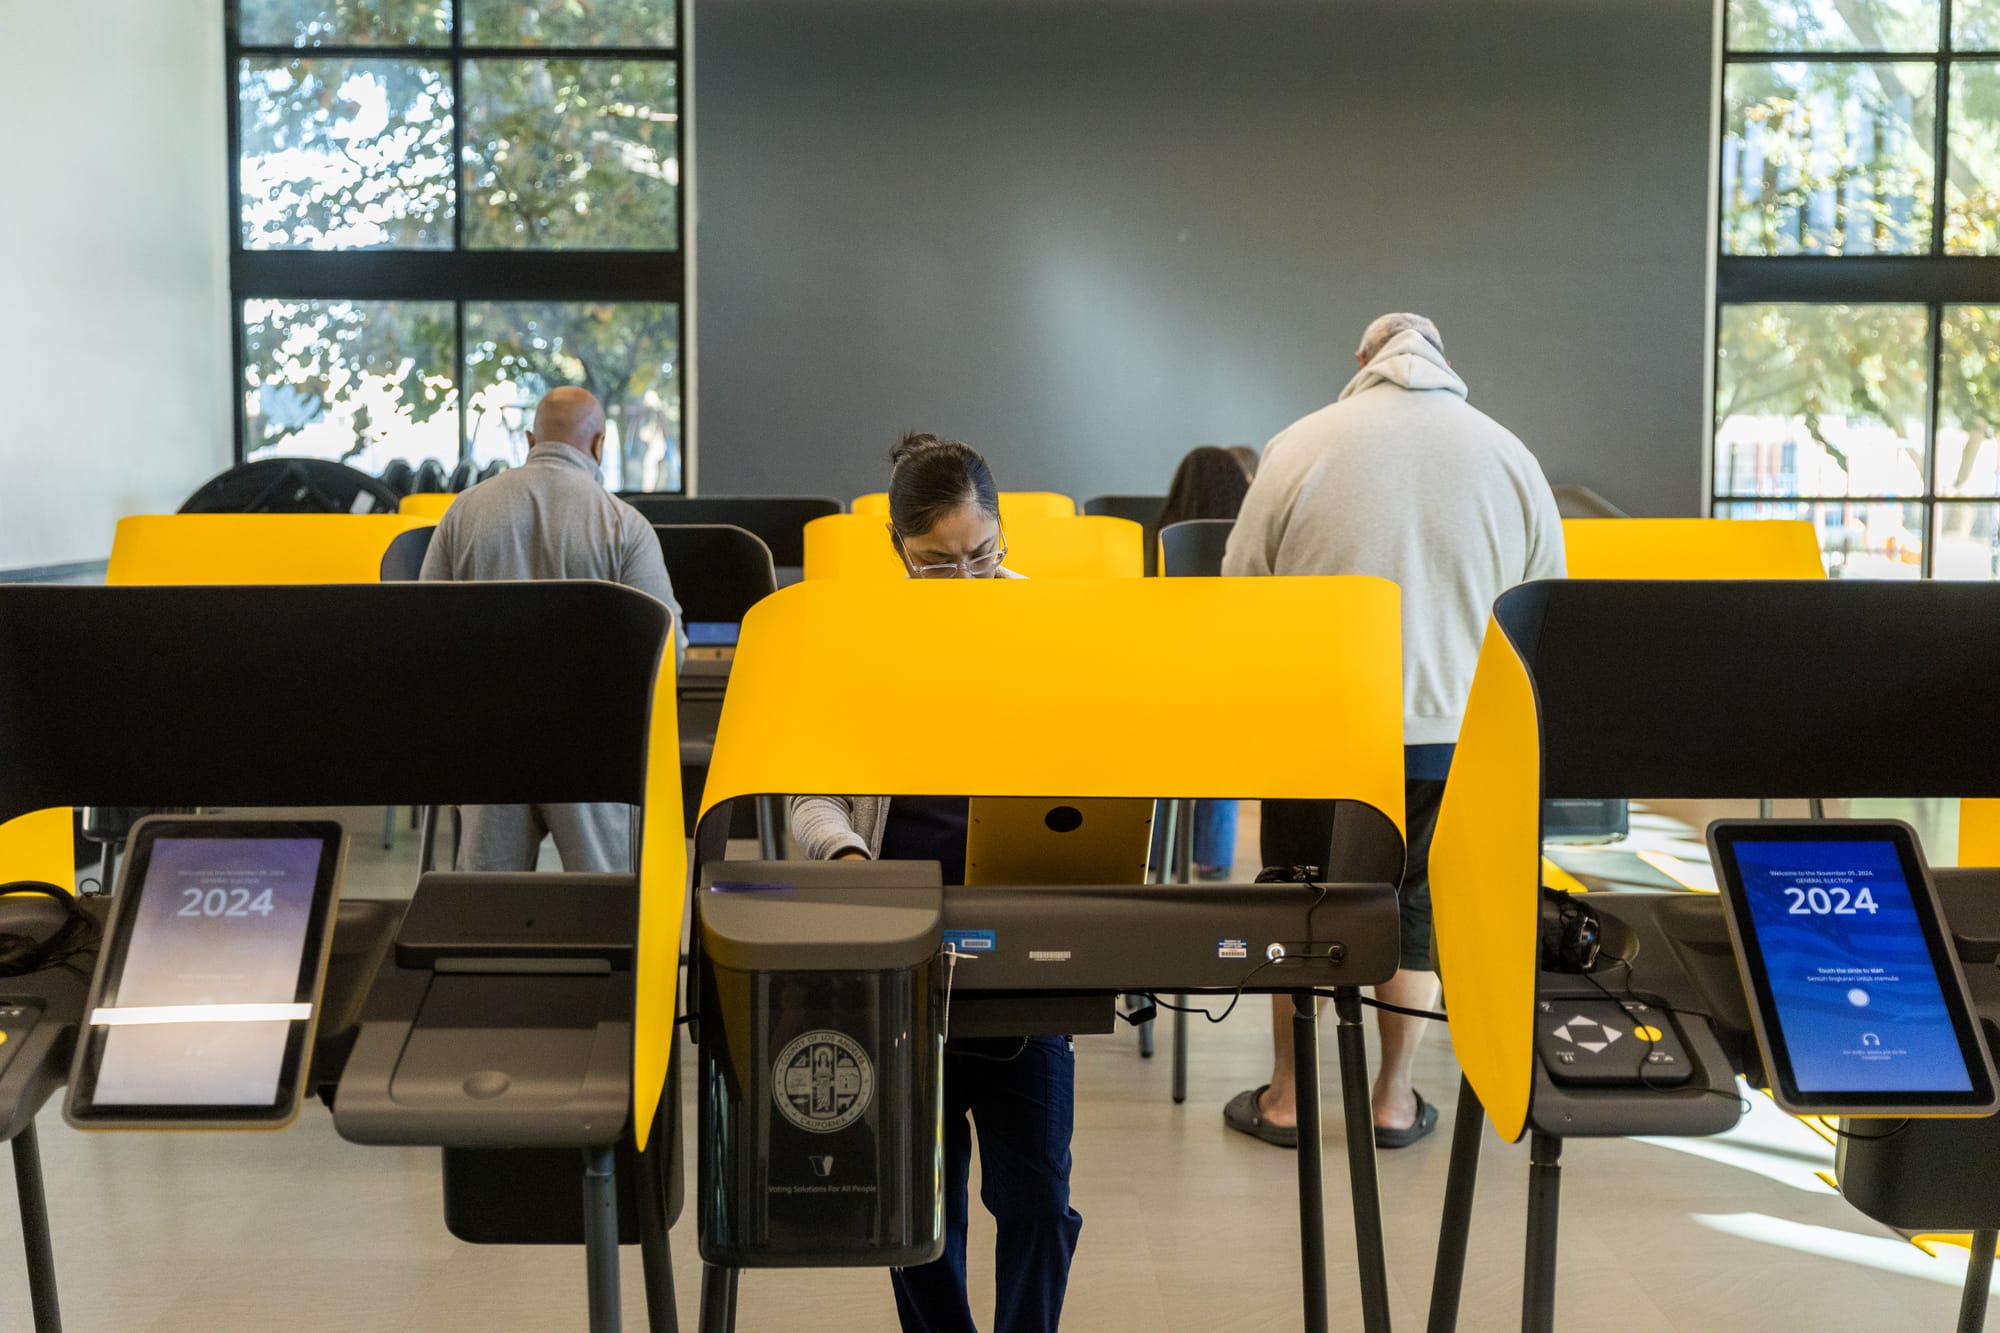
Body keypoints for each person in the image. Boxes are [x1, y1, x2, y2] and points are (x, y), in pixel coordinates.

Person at [1219, 313, 1565, 1150]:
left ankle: (1289, 1099)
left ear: (1362, 360)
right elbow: (1548, 605)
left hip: (1319, 731)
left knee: (1300, 904)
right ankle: (1394, 1099)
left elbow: (1237, 585)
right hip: (1452, 732)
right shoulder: (1509, 454)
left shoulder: (1300, 444)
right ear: (1446, 359)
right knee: (1415, 913)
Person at [790, 433, 1079, 1333]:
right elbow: (814, 796)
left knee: (1036, 1195)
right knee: (919, 1205)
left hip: (1024, 931)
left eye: (984, 555)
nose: (968, 580)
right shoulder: (863, 642)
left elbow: (1096, 767)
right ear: (898, 554)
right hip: (901, 930)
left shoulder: (1050, 631)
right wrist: (846, 858)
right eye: (939, 565)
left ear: (1004, 535)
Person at [419, 386, 686, 873]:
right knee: (613, 907)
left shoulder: (463, 512)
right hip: (592, 749)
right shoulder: (623, 525)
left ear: (529, 439)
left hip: (487, 746)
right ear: (599, 443)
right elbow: (669, 653)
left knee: (483, 912)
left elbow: (421, 635)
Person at [1153, 446, 1256, 878]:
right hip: (1228, 675)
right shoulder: (1245, 542)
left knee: (1155, 766)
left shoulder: (1154, 539)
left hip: (1161, 676)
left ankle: (1156, 854)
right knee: (1222, 755)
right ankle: (1213, 858)